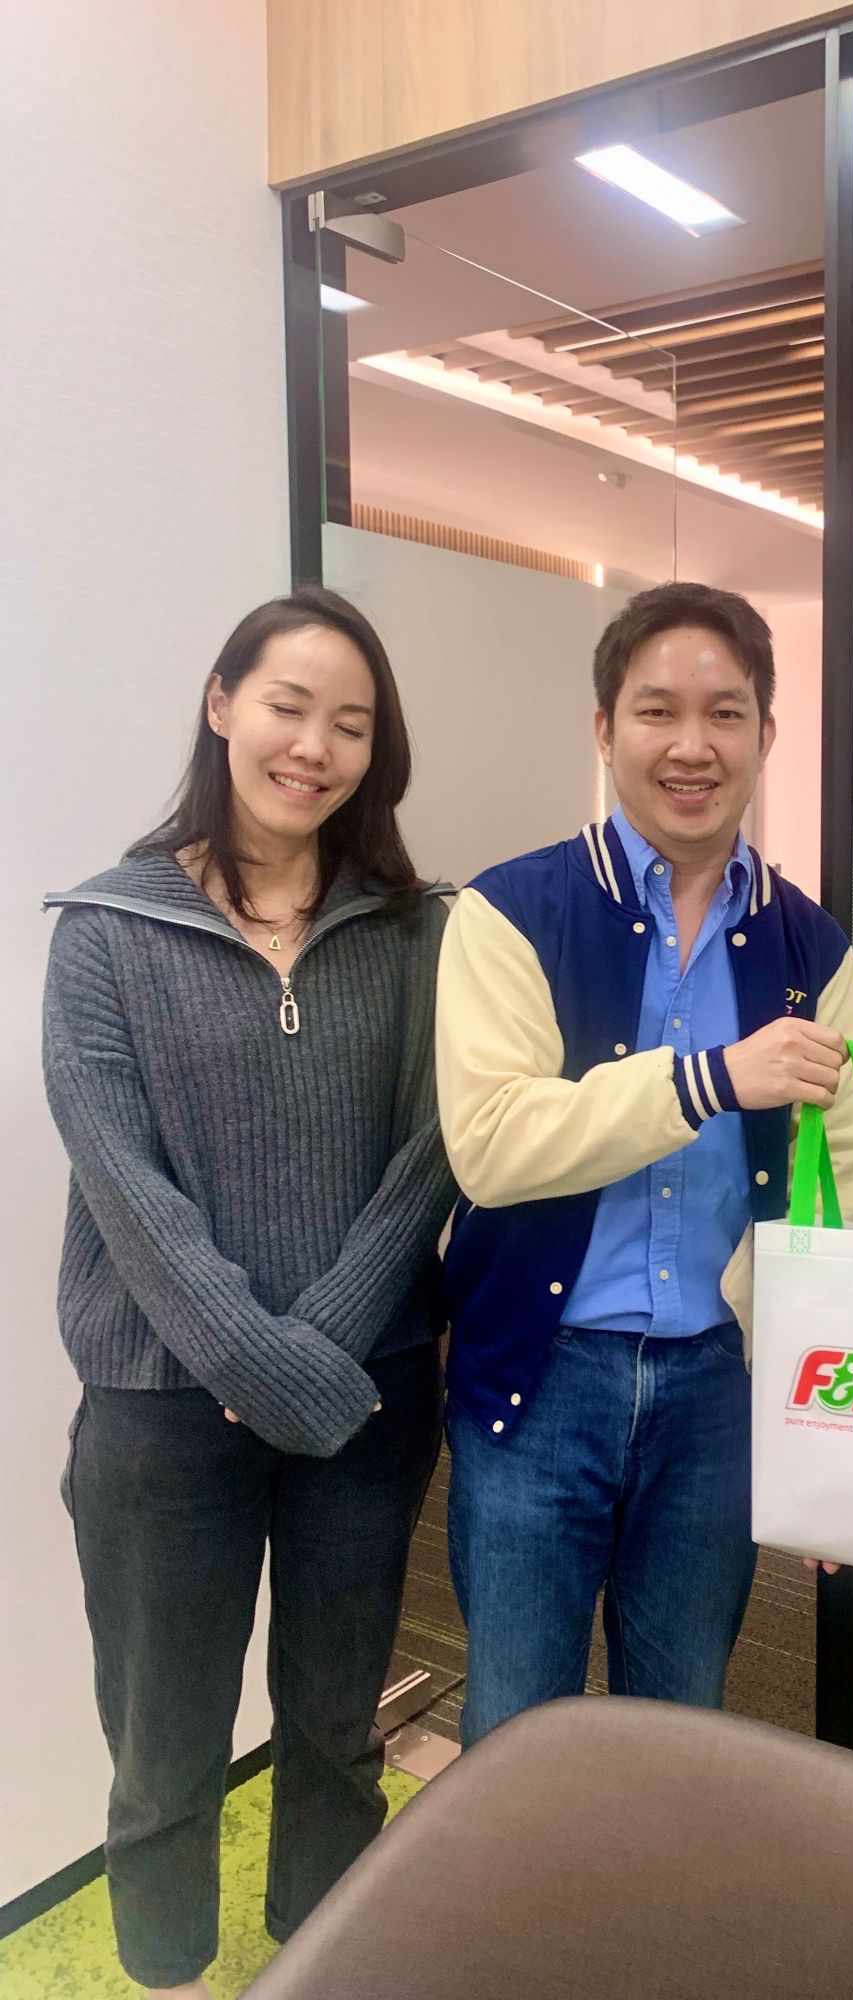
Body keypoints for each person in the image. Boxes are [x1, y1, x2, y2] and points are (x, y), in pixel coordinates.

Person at [43, 587, 456, 2000]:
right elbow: (122, 1179)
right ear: (222, 703)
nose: (313, 746)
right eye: (288, 705)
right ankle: (166, 1971)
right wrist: (250, 1358)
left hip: (366, 1401)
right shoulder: (105, 927)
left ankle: (324, 1961)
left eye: (352, 723)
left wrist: (310, 1355)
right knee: (162, 1747)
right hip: (162, 1414)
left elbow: (432, 1152)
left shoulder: (419, 930)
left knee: (337, 1728)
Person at [436, 580, 853, 1742]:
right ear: (605, 729)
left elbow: (850, 1188)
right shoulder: (510, 910)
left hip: (715, 1388)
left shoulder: (808, 943)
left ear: (766, 734)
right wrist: (708, 1077)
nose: (693, 745)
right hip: (541, 1379)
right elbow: (492, 1144)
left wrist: (838, 1443)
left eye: (726, 713)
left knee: (682, 1729)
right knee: (518, 1731)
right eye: (657, 711)